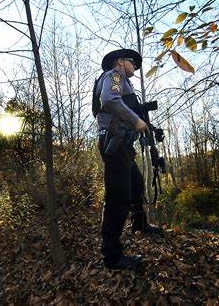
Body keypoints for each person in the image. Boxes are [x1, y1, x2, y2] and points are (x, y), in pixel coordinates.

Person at [93, 48, 163, 270]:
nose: (135, 66)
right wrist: (136, 121)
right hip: (114, 144)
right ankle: (112, 257)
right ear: (120, 62)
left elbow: (123, 108)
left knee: (135, 183)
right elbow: (109, 100)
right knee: (118, 198)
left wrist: (146, 127)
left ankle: (140, 224)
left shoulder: (123, 82)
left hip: (122, 143)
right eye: (133, 62)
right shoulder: (114, 76)